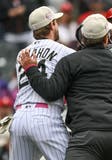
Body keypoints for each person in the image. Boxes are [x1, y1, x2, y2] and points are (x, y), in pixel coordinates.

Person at [18, 14, 112, 160]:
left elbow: (50, 92)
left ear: (83, 37)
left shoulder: (70, 61)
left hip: (86, 136)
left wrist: (31, 68)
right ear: (106, 38)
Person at [9, 6, 75, 160]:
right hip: (45, 115)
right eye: (55, 22)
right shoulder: (65, 51)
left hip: (18, 117)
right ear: (52, 24)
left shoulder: (22, 53)